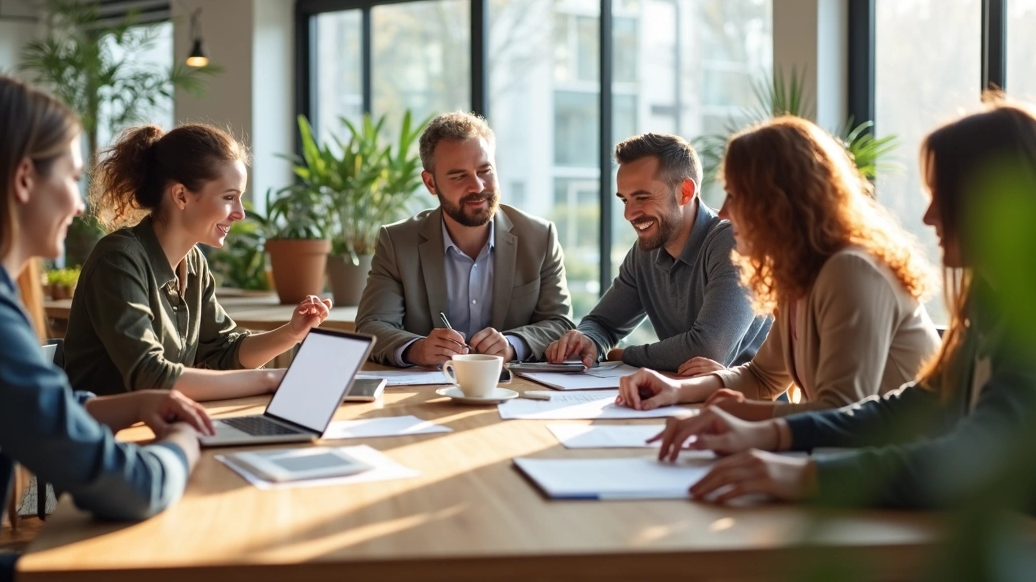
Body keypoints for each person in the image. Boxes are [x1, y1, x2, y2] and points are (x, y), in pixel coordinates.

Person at [650, 101, 1036, 545]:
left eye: (944, 195)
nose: (929, 216)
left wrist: (798, 471)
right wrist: (770, 433)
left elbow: (969, 454)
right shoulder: (989, 300)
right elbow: (912, 406)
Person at [0, 75, 214, 581]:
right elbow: (128, 487)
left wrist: (133, 404)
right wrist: (186, 444)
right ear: (22, 179)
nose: (79, 205)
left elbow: (34, 407)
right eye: (70, 177)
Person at [617, 117, 939, 418]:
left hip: (906, 468)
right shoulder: (799, 276)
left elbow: (839, 411)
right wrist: (676, 390)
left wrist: (741, 416)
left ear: (779, 203)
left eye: (736, 195)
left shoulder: (851, 270)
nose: (725, 213)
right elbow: (762, 377)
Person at [63, 124, 331, 400]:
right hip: (106, 434)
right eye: (229, 198)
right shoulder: (118, 260)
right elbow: (150, 375)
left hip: (163, 425)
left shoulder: (193, 264)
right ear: (181, 196)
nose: (240, 213)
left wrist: (291, 333)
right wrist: (270, 379)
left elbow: (224, 351)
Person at [356, 111, 575, 367]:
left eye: (485, 170)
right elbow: (372, 325)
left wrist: (513, 344)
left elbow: (561, 324)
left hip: (513, 391)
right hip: (426, 393)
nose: (478, 187)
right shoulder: (397, 242)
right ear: (430, 183)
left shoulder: (539, 237)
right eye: (459, 176)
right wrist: (417, 349)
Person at [545, 133, 770, 372]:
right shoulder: (647, 249)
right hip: (681, 398)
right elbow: (602, 323)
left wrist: (625, 355)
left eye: (642, 198)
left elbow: (708, 348)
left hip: (746, 405)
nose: (629, 214)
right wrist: (586, 339)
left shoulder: (733, 242)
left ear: (685, 192)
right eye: (625, 200)